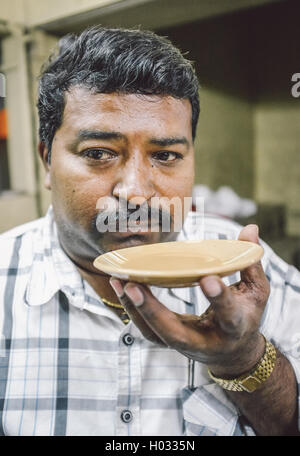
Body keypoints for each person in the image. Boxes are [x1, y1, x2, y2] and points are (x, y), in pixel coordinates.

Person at [0, 26, 299, 437]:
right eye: (99, 153)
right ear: (47, 159)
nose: (136, 193)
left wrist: (244, 358)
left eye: (165, 155)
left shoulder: (247, 270)